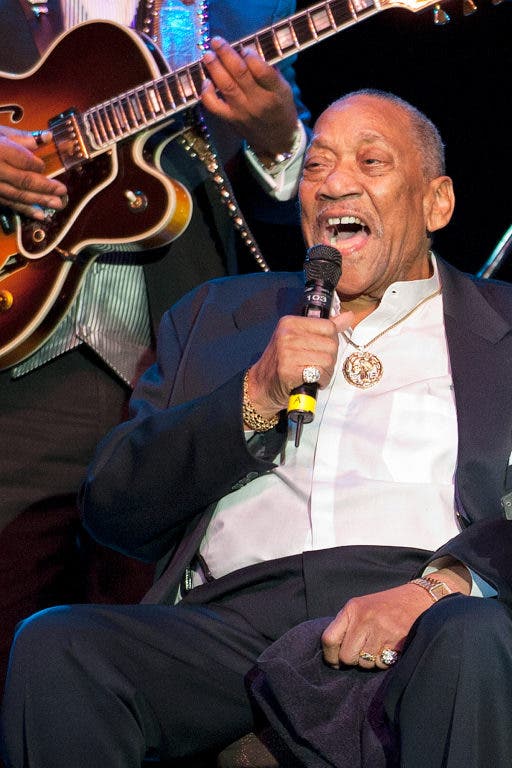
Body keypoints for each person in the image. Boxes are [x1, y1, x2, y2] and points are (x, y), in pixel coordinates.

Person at [3, 88, 512, 768]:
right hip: (230, 625)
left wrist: (439, 587)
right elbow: (115, 508)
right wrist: (254, 394)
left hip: (417, 612)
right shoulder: (215, 315)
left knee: (474, 638)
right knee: (57, 644)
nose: (334, 184)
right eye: (317, 164)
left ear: (436, 203)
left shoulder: (500, 325)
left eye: (370, 162)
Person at [0, 0, 309, 705]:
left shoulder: (250, 9)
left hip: (178, 376)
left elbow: (299, 183)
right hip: (16, 376)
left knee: (150, 665)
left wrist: (279, 138)